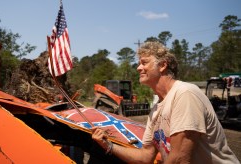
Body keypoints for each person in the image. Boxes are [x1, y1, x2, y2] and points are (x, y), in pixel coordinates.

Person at [91, 41, 239, 163]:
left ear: (162, 65)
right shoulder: (156, 110)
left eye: (144, 63)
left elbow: (180, 159)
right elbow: (145, 156)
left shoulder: (184, 93)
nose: (138, 68)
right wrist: (108, 145)